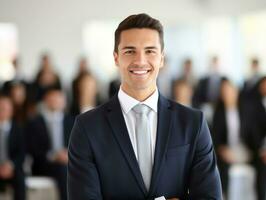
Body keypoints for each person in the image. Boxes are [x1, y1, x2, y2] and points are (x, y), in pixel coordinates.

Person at [68, 13, 222, 200]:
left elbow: (210, 197)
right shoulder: (87, 127)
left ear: (162, 58)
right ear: (116, 58)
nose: (140, 61)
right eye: (130, 51)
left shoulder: (193, 123)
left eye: (150, 51)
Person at [26, 88, 74, 200]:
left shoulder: (73, 121)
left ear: (64, 102)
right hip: (43, 164)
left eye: (58, 98)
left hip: (69, 162)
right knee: (64, 170)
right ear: (46, 101)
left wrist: (69, 155)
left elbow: (80, 146)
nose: (55, 101)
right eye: (52, 98)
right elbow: (33, 149)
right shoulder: (34, 123)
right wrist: (54, 156)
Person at [0, 94, 26, 200]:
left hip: (12, 168)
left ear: (12, 110)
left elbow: (22, 153)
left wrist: (10, 165)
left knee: (20, 178)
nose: (3, 111)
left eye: (6, 108)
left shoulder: (18, 129)